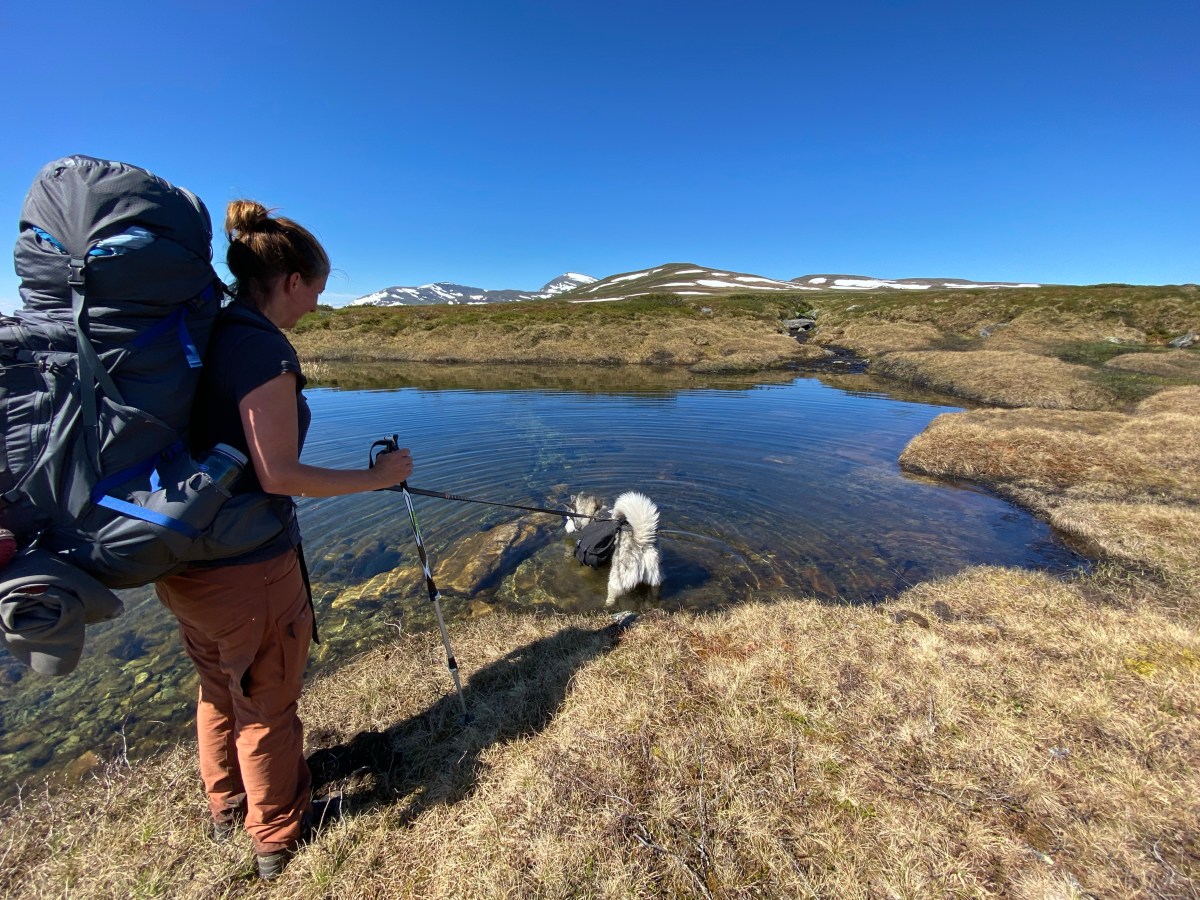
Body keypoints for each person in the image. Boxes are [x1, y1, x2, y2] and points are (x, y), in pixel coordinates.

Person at [155, 200, 413, 880]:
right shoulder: (263, 347)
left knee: (219, 687)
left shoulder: (212, 331)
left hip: (183, 558)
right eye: (319, 292)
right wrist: (377, 477)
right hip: (246, 568)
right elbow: (279, 474)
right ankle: (278, 835)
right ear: (293, 280)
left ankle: (226, 806)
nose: (317, 307)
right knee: (268, 701)